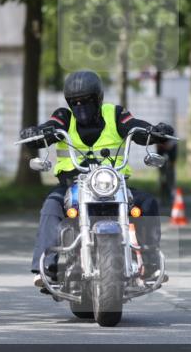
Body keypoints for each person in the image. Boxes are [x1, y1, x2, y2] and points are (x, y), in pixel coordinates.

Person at [20, 70, 175, 291]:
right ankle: (46, 269)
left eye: (87, 101)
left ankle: (150, 265)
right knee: (51, 206)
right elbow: (51, 127)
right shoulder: (64, 117)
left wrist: (153, 131)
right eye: (76, 102)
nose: (81, 107)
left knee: (147, 203)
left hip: (113, 185)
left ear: (98, 99)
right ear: (69, 103)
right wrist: (35, 134)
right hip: (72, 186)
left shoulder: (115, 114)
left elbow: (134, 127)